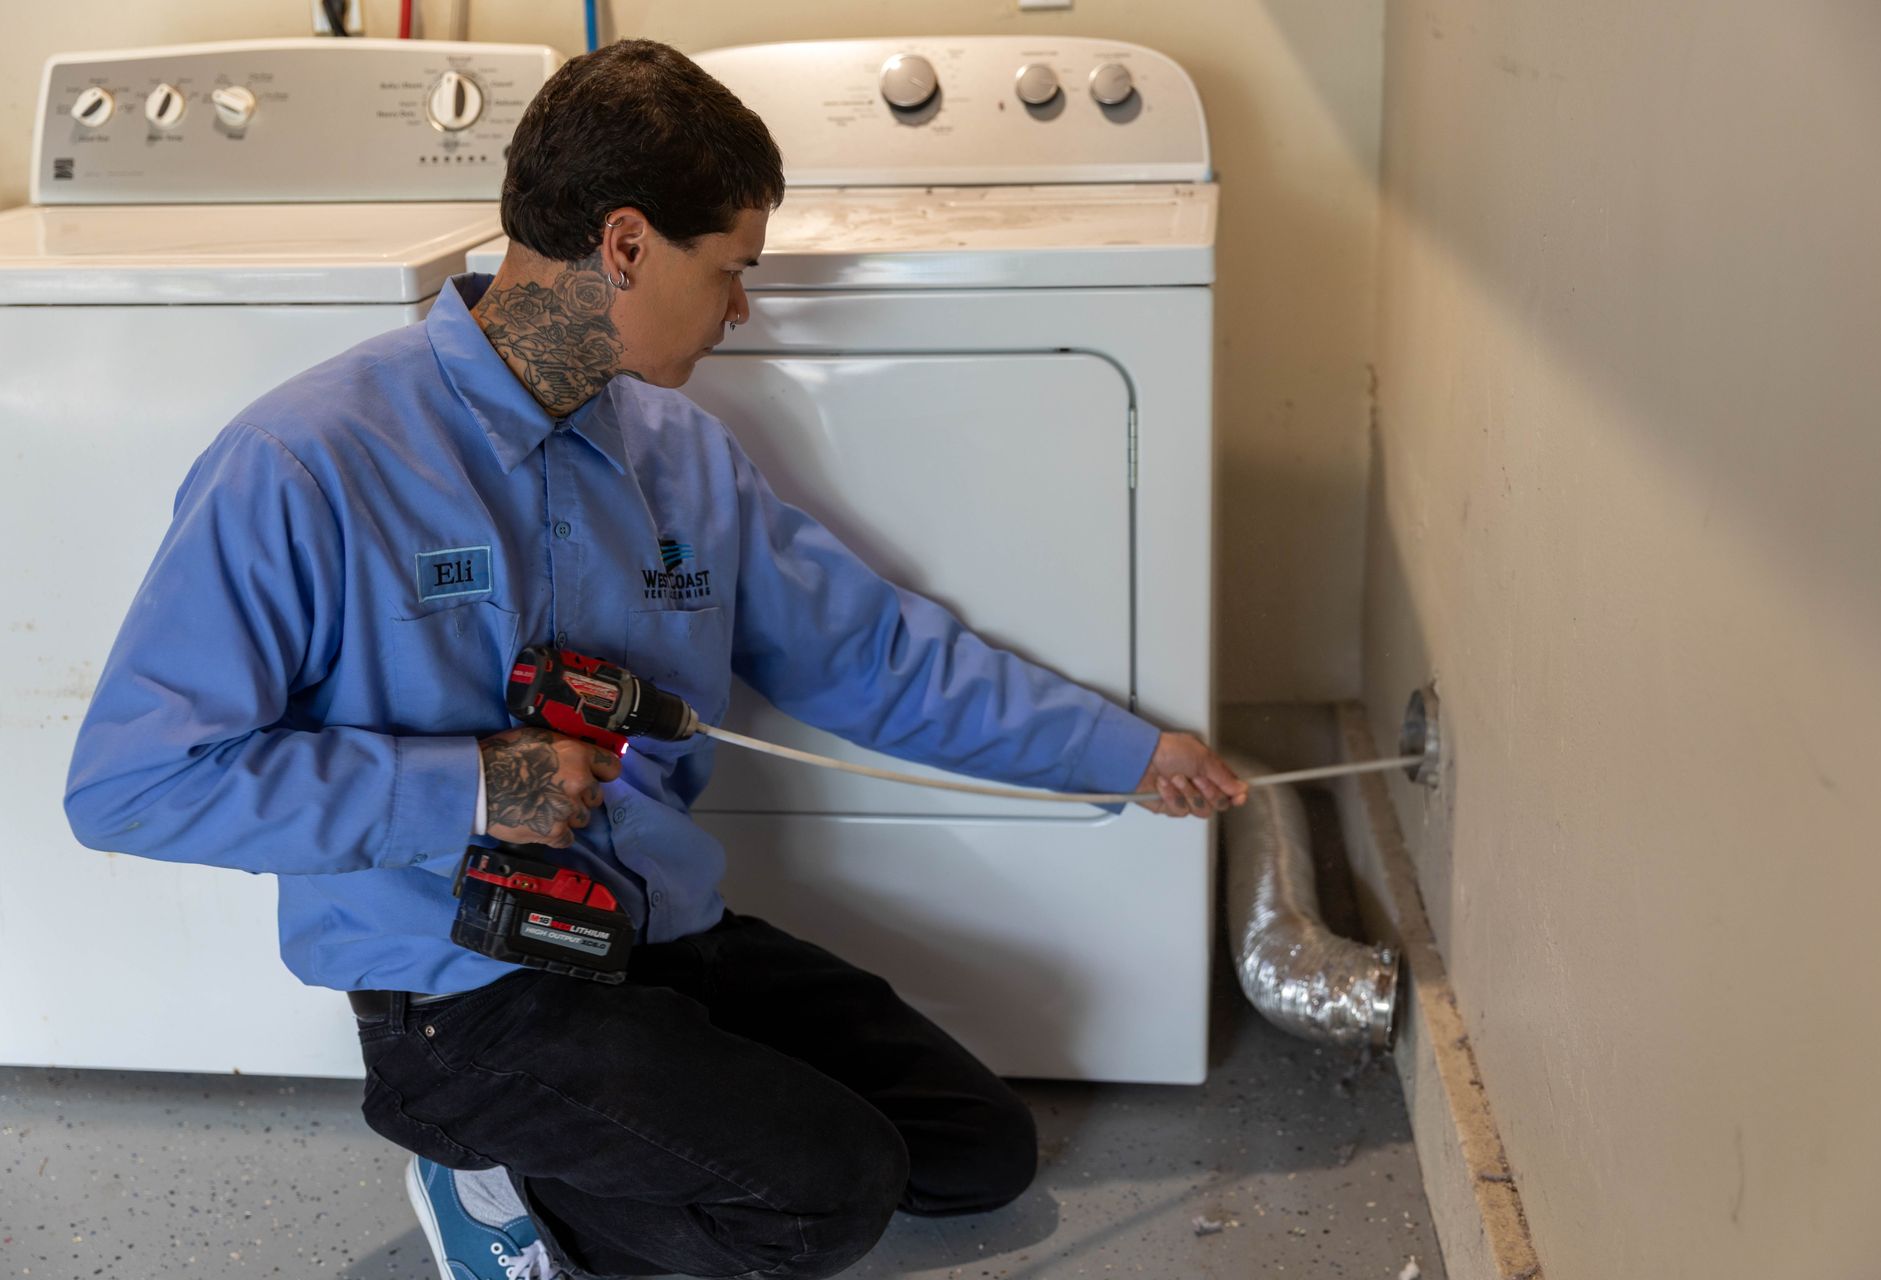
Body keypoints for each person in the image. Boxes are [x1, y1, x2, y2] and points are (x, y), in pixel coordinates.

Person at [64, 39, 1247, 1280]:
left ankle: (620, 1130)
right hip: (469, 989)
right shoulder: (308, 462)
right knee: (825, 1198)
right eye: (731, 270)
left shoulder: (683, 456)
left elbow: (878, 658)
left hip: (656, 935)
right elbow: (134, 783)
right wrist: (469, 787)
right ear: (625, 244)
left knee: (972, 1147)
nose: (743, 309)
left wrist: (1131, 751)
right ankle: (491, 1184)